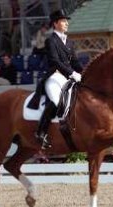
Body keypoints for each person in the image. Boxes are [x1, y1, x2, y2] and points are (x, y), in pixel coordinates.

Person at [34, 9, 83, 149]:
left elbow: (75, 62)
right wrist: (72, 73)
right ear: (55, 24)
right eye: (63, 20)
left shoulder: (69, 42)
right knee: (56, 102)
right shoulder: (50, 41)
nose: (66, 23)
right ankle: (40, 133)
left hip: (68, 78)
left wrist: (84, 71)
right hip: (54, 76)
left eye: (66, 21)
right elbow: (55, 61)